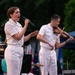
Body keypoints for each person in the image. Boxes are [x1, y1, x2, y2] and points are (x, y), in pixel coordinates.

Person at [4, 7, 38, 75]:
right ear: (11, 15)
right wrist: (25, 25)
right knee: (13, 73)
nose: (19, 14)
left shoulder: (18, 25)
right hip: (12, 50)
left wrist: (31, 35)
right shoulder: (8, 24)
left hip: (19, 49)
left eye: (19, 12)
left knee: (18, 72)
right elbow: (17, 37)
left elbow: (22, 39)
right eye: (16, 12)